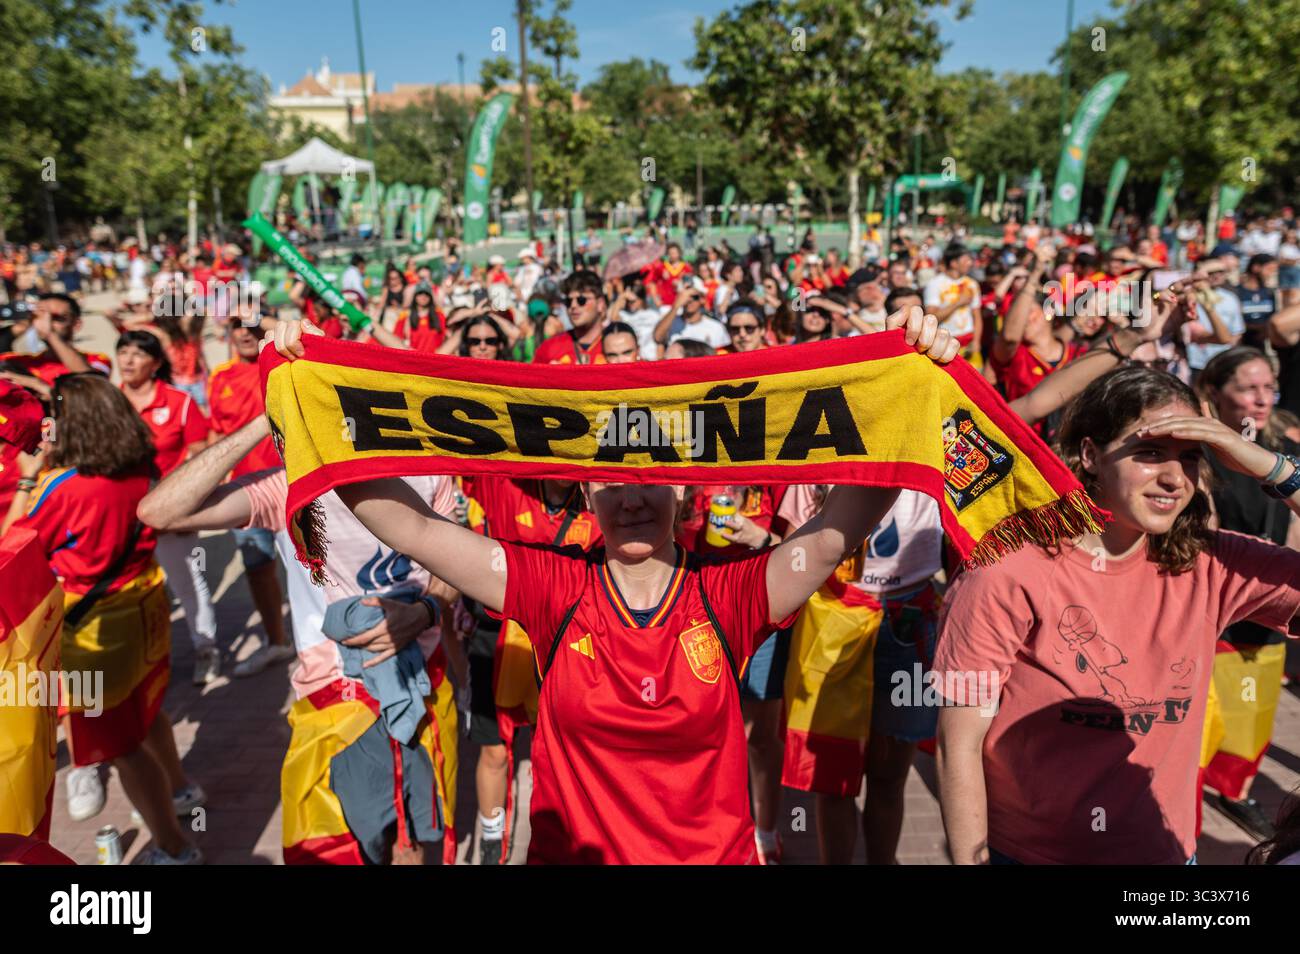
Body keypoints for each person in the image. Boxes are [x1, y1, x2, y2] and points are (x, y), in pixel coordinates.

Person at [270, 307, 960, 863]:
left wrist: (915, 378)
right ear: (585, 490)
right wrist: (318, 400)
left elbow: (847, 518)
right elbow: (408, 527)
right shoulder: (549, 586)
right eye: (610, 479)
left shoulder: (732, 594)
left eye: (650, 479)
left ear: (685, 494)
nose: (631, 498)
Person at [936, 365, 1300, 864]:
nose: (1174, 478)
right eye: (1150, 453)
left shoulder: (1212, 563)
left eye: (1191, 458)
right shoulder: (1008, 567)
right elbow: (959, 743)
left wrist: (1274, 469)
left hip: (1165, 856)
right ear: (1090, 454)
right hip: (1029, 856)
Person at [138, 414, 462, 865]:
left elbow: (456, 564)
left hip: (421, 681)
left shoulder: (427, 472)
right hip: (332, 698)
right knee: (333, 848)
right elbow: (158, 511)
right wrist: (263, 420)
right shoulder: (290, 486)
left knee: (411, 838)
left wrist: (425, 611)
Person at [2, 373, 203, 864]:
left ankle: (175, 846)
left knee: (118, 745)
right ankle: (180, 791)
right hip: (145, 607)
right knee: (147, 712)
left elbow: (12, 548)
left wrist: (30, 478)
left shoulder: (62, 486)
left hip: (93, 632)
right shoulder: (139, 466)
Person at [1195, 347, 1297, 839]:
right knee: (1202, 718)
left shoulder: (1288, 444)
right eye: (1247, 388)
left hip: (1272, 603)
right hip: (1219, 608)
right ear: (1215, 394)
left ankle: (1234, 791)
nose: (1261, 399)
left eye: (1267, 388)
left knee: (1251, 712)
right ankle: (1184, 799)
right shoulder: (1200, 455)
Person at [116, 330, 219, 684]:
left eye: (137, 354)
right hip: (121, 519)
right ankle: (140, 662)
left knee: (188, 584)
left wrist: (189, 507)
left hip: (171, 515)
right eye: (123, 352)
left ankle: (206, 650)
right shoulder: (109, 403)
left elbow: (201, 456)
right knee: (129, 592)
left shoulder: (179, 402)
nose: (128, 360)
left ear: (156, 363)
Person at [206, 322, 293, 678]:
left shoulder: (285, 362)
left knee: (312, 571)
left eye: (252, 325)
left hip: (291, 484)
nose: (244, 332)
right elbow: (216, 430)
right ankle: (277, 642)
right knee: (258, 570)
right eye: (236, 326)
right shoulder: (219, 376)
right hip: (245, 494)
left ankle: (326, 645)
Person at [0, 293, 109, 390]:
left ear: (76, 324)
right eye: (42, 317)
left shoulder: (96, 360)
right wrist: (20, 326)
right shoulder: (19, 362)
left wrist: (51, 334)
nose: (47, 323)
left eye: (57, 318)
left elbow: (95, 386)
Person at [534, 270, 607, 365]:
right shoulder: (550, 348)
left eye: (581, 300)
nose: (573, 305)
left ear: (600, 304)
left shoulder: (619, 345)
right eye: (568, 301)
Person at [923, 244, 981, 351]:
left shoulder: (971, 284)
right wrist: (958, 303)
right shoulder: (935, 284)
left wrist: (976, 341)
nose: (970, 263)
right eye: (966, 260)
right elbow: (931, 318)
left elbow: (977, 316)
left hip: (968, 341)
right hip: (944, 345)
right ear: (954, 263)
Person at [653, 277, 730, 352]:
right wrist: (675, 307)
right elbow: (658, 338)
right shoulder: (670, 323)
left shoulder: (716, 327)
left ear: (702, 299)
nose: (689, 300)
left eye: (694, 297)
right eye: (685, 297)